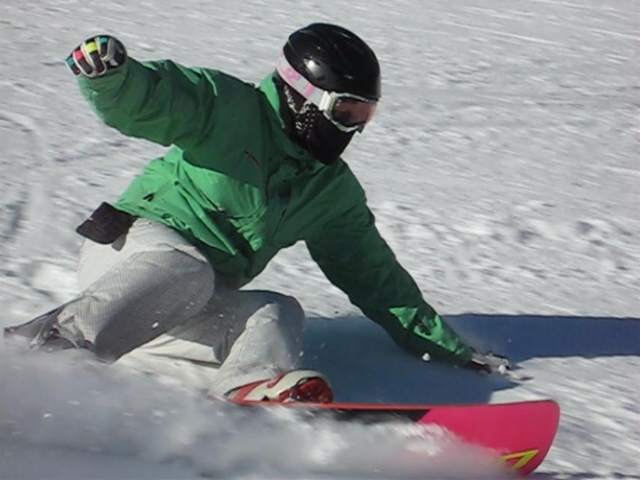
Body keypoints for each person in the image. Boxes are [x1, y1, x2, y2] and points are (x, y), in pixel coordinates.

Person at [4, 23, 508, 403]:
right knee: (187, 269)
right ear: (306, 97)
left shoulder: (330, 191)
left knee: (278, 310)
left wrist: (449, 348)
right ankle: (41, 351)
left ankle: (251, 391)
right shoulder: (229, 110)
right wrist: (113, 79)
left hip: (176, 302)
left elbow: (376, 278)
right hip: (128, 253)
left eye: (365, 116)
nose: (354, 128)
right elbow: (157, 98)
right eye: (346, 112)